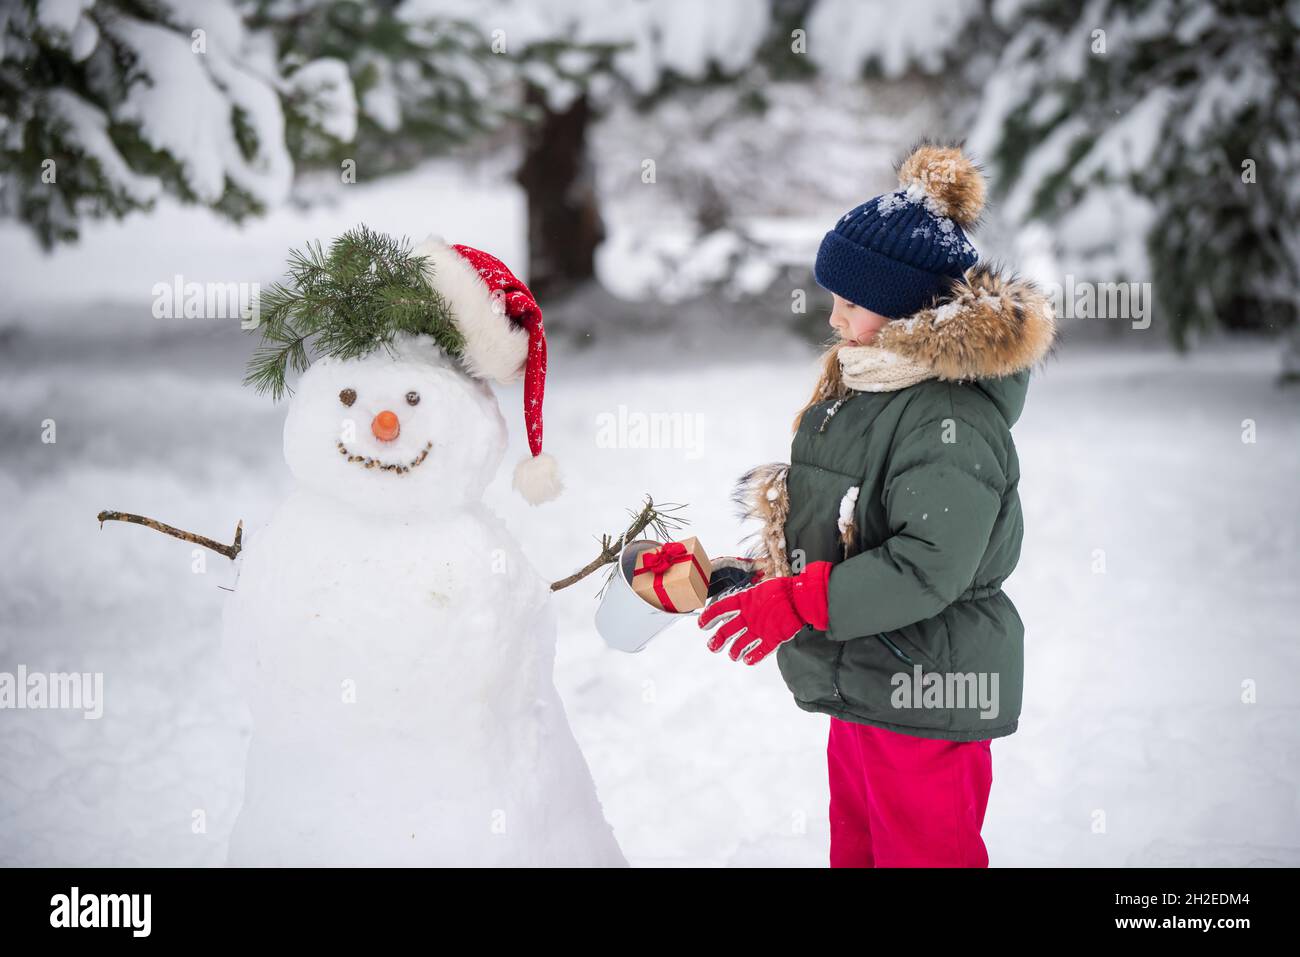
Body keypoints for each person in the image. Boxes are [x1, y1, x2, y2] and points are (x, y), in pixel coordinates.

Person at [699, 143, 1056, 868]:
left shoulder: (947, 420)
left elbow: (928, 565)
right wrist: (751, 572)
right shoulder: (868, 390)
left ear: (905, 310)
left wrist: (800, 601)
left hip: (929, 688)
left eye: (852, 304)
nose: (834, 320)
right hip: (866, 681)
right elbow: (848, 528)